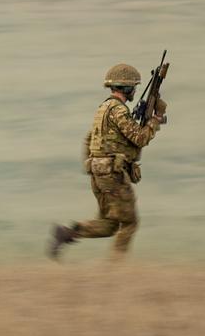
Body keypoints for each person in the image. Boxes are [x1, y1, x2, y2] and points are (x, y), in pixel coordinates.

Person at [48, 63, 166, 260]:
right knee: (130, 223)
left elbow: (89, 139)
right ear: (126, 88)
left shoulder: (102, 109)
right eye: (134, 87)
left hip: (99, 173)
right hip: (112, 175)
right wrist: (155, 120)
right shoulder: (119, 111)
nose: (135, 91)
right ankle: (115, 272)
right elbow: (140, 138)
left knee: (109, 224)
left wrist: (93, 165)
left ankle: (67, 233)